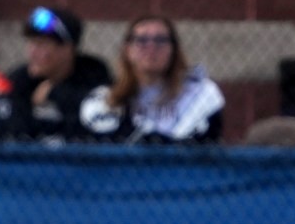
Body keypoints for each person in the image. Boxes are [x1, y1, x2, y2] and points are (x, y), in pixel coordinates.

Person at [84, 15, 224, 144]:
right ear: (127, 50)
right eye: (141, 40)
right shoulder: (104, 99)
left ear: (173, 49)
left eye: (160, 40)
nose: (151, 47)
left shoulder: (201, 94)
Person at [0, 5, 113, 143]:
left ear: (67, 49)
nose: (32, 52)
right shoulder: (19, 81)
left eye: (41, 44)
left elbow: (98, 122)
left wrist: (55, 93)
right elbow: (10, 133)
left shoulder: (94, 76)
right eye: (31, 43)